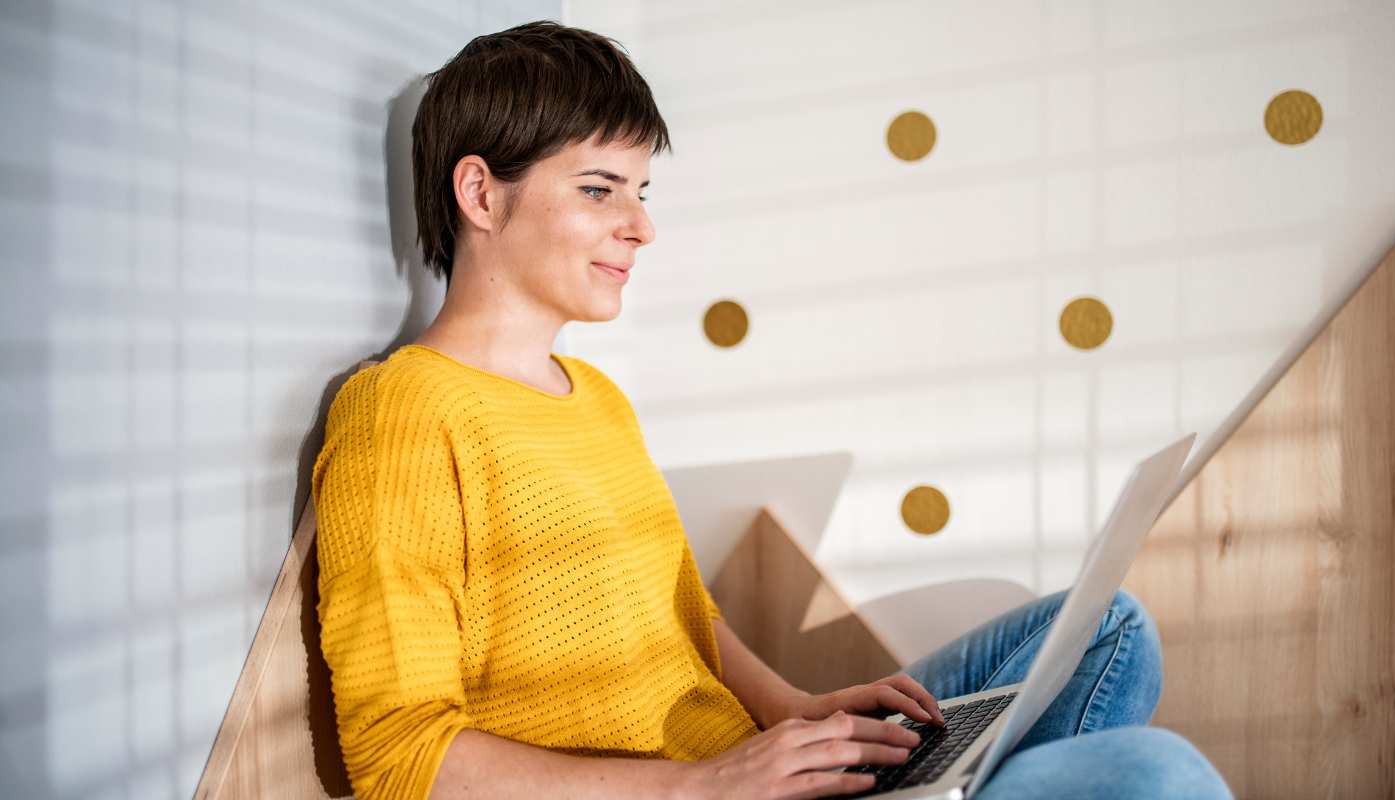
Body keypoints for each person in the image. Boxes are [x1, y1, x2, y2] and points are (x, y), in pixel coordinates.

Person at [310, 20, 1234, 800]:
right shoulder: (402, 414)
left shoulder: (595, 399)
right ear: (480, 192)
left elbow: (683, 614)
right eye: (599, 189)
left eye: (641, 191)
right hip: (700, 791)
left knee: (1110, 626)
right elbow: (400, 759)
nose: (641, 226)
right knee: (1154, 772)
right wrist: (707, 784)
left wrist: (794, 709)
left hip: (753, 767)